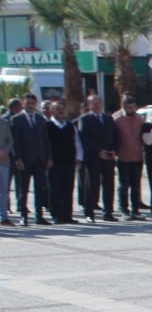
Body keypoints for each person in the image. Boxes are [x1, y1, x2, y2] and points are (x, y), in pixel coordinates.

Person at [11, 93, 52, 226]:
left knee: (40, 188)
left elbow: (46, 140)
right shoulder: (17, 119)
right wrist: (18, 158)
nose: (30, 105)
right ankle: (24, 216)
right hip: (25, 160)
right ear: (23, 104)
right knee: (24, 189)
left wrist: (48, 157)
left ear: (36, 104)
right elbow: (15, 141)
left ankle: (39, 216)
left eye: (32, 103)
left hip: (39, 159)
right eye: (27, 103)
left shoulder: (40, 119)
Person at [78, 94, 118, 222]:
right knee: (92, 186)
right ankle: (89, 212)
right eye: (93, 103)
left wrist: (114, 150)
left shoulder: (108, 119)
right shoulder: (85, 119)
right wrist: (97, 151)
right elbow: (84, 139)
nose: (96, 104)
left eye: (98, 102)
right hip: (93, 158)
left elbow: (116, 136)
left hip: (108, 157)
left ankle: (108, 212)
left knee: (109, 185)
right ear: (89, 105)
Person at [45, 100, 81, 225]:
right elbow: (45, 145)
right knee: (55, 191)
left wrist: (79, 158)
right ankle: (56, 215)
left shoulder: (70, 126)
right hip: (54, 164)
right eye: (57, 109)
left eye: (61, 108)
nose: (60, 111)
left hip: (69, 163)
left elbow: (77, 143)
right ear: (52, 111)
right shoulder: (48, 126)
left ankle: (67, 215)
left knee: (68, 190)